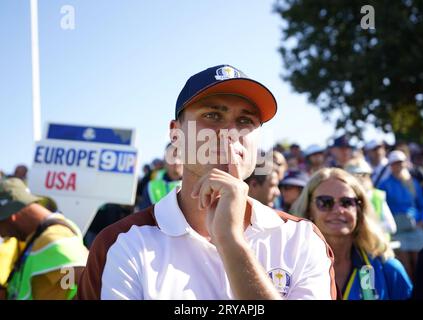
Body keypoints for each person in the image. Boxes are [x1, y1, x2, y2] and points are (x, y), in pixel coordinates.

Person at [77, 64, 337, 300]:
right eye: (212, 116)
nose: (229, 133)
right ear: (176, 134)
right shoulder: (122, 242)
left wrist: (231, 241)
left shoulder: (301, 238)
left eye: (245, 121)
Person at [293, 168, 412, 300]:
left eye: (347, 202)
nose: (338, 210)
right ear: (309, 210)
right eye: (325, 202)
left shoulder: (386, 269)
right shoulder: (289, 268)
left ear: (359, 210)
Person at [0, 178, 88, 300]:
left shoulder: (54, 239)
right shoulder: (38, 238)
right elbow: (66, 283)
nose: (2, 235)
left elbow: (93, 284)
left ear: (11, 217)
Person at [377, 150, 423, 280]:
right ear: (390, 165)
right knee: (405, 265)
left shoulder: (413, 183)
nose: (398, 166)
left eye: (400, 163)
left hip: (415, 227)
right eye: (395, 163)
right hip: (398, 229)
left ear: (405, 164)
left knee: (421, 263)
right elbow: (383, 208)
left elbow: (422, 204)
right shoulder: (384, 184)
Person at [344, 157, 397, 239]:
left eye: (363, 175)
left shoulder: (377, 196)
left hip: (378, 246)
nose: (360, 178)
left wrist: (368, 228)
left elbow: (391, 227)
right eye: (355, 175)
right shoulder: (344, 198)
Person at [138, 143, 183, 209]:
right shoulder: (151, 186)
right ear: (164, 160)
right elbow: (144, 216)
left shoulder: (195, 186)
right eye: (172, 157)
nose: (176, 161)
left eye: (180, 157)